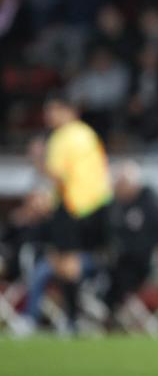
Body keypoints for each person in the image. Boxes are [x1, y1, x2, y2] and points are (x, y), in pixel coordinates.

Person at [41, 95, 113, 332]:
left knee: (65, 263)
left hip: (72, 204)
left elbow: (55, 174)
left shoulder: (62, 136)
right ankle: (85, 310)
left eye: (53, 110)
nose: (49, 116)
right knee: (69, 261)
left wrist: (35, 159)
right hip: (95, 203)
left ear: (67, 111)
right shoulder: (87, 134)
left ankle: (74, 317)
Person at [104, 161, 158, 325]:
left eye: (121, 184)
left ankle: (112, 316)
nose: (117, 189)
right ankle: (112, 314)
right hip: (125, 261)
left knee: (116, 275)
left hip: (147, 263)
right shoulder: (116, 207)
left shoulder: (151, 207)